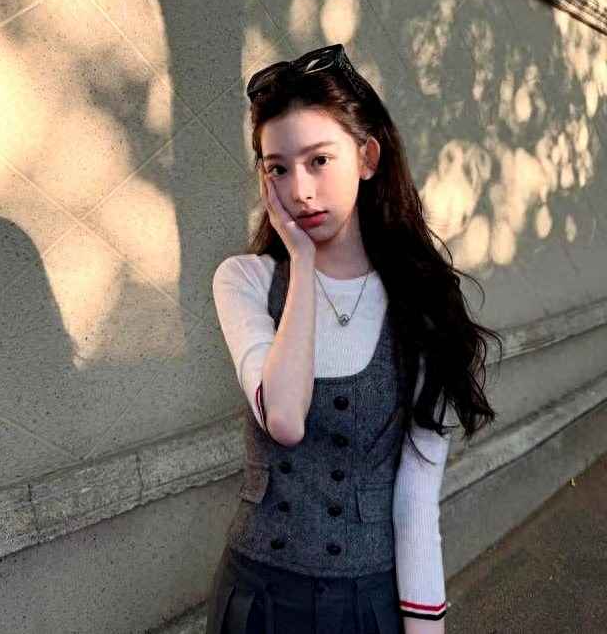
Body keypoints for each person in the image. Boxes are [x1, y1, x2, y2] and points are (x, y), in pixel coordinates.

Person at [206, 44, 503, 634]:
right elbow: (284, 418)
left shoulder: (423, 303)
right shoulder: (245, 280)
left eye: (319, 160)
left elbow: (416, 500)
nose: (300, 190)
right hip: (257, 595)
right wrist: (301, 262)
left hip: (365, 601)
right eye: (278, 168)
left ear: (367, 157)